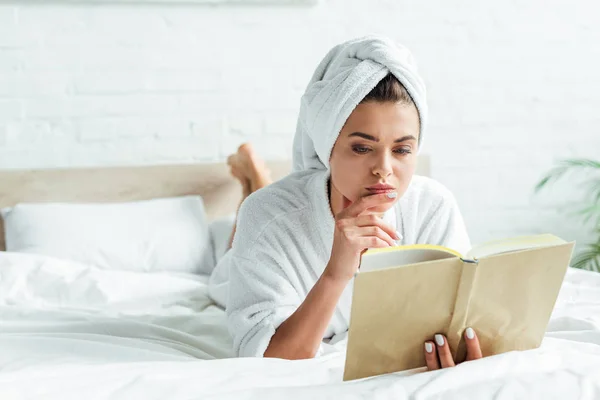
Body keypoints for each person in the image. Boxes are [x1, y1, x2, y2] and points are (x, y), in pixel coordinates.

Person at [209, 35, 482, 371]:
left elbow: (461, 316)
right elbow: (269, 360)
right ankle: (254, 179)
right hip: (241, 260)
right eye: (362, 148)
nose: (384, 168)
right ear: (328, 150)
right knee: (227, 261)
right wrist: (337, 272)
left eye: (402, 150)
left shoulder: (433, 206)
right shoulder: (267, 215)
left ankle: (255, 176)